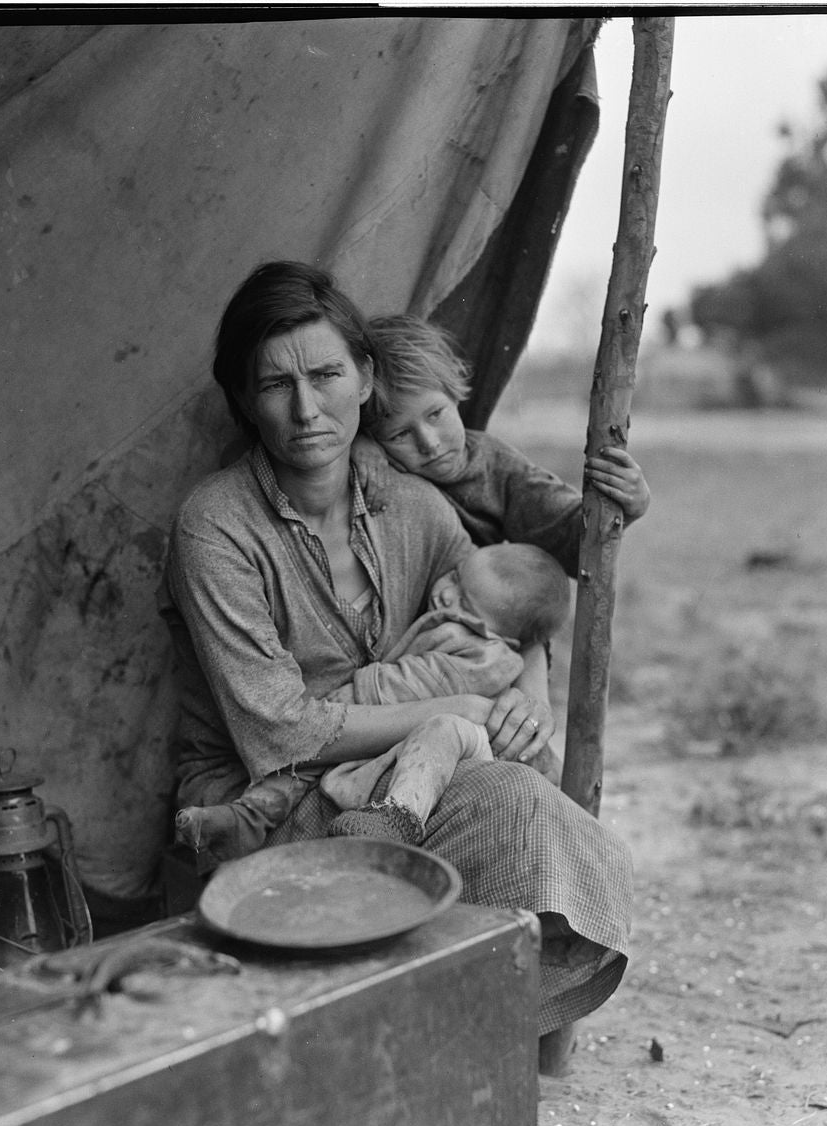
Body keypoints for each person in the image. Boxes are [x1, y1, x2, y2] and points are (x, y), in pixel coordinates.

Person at [158, 260, 633, 1075]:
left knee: (529, 781)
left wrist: (529, 693)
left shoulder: (411, 502)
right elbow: (277, 730)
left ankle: (445, 1036)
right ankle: (406, 1041)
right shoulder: (216, 527)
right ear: (242, 399)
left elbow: (496, 604)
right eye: (274, 385)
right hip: (267, 795)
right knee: (505, 795)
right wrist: (457, 714)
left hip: (399, 778)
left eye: (326, 375)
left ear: (365, 378)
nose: (306, 409)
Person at [176, 540, 570, 862]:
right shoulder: (465, 620)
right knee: (302, 767)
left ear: (505, 636)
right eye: (454, 575)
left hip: (429, 735)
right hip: (402, 726)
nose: (445, 592)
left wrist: (356, 695)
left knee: (323, 759)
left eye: (464, 603)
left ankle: (395, 820)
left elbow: (414, 684)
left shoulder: (485, 658)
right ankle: (247, 818)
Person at [352, 314, 651, 574]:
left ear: (454, 394)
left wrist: (626, 507)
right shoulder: (371, 462)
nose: (429, 444)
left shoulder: (496, 465)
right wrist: (355, 445)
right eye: (400, 435)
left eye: (435, 414)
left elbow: (569, 538)